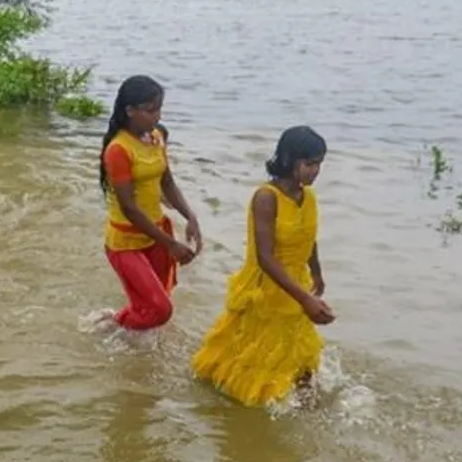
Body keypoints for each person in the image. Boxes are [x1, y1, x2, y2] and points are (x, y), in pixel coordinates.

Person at [190, 126, 335, 408]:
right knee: (257, 353)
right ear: (289, 159)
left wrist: (316, 272)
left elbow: (308, 236)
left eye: (319, 164)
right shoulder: (266, 197)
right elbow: (266, 258)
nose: (315, 171)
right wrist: (305, 298)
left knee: (298, 349)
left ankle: (303, 403)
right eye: (309, 164)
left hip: (296, 281)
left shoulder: (309, 197)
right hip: (266, 286)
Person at [99, 75, 202, 331]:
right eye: (150, 110)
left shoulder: (156, 137)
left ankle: (125, 333)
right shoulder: (118, 149)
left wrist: (191, 216)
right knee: (160, 310)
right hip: (125, 242)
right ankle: (116, 324)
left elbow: (167, 182)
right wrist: (171, 244)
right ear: (130, 110)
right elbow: (130, 209)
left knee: (154, 305)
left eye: (159, 109)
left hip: (154, 235)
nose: (156, 116)